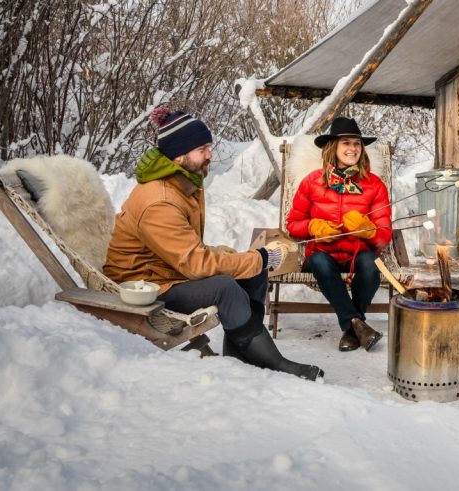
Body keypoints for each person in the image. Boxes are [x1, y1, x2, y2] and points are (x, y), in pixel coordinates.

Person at [104, 106, 322, 381]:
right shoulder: (160, 200)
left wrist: (250, 260)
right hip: (145, 285)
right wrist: (262, 257)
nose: (210, 154)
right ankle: (277, 363)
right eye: (202, 149)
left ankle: (240, 356)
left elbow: (183, 249)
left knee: (253, 271)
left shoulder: (181, 183)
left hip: (167, 272)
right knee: (225, 287)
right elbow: (196, 264)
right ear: (180, 154)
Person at [286, 117, 392, 352]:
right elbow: (293, 224)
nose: (352, 149)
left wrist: (369, 229)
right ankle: (357, 324)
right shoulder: (312, 182)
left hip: (358, 254)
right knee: (321, 262)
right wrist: (313, 227)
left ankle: (352, 328)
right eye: (346, 143)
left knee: (370, 263)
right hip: (323, 255)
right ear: (333, 147)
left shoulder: (374, 185)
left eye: (356, 144)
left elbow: (384, 236)